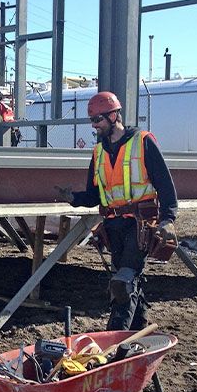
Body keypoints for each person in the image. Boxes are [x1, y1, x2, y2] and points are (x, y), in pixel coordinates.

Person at [56, 90, 178, 331]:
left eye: (98, 120)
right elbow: (94, 195)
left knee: (122, 284)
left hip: (139, 224)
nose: (94, 126)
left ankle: (114, 341)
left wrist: (168, 219)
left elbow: (165, 185)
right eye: (92, 121)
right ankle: (137, 337)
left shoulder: (142, 142)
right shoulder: (99, 151)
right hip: (113, 226)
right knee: (130, 281)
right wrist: (74, 198)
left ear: (114, 116)